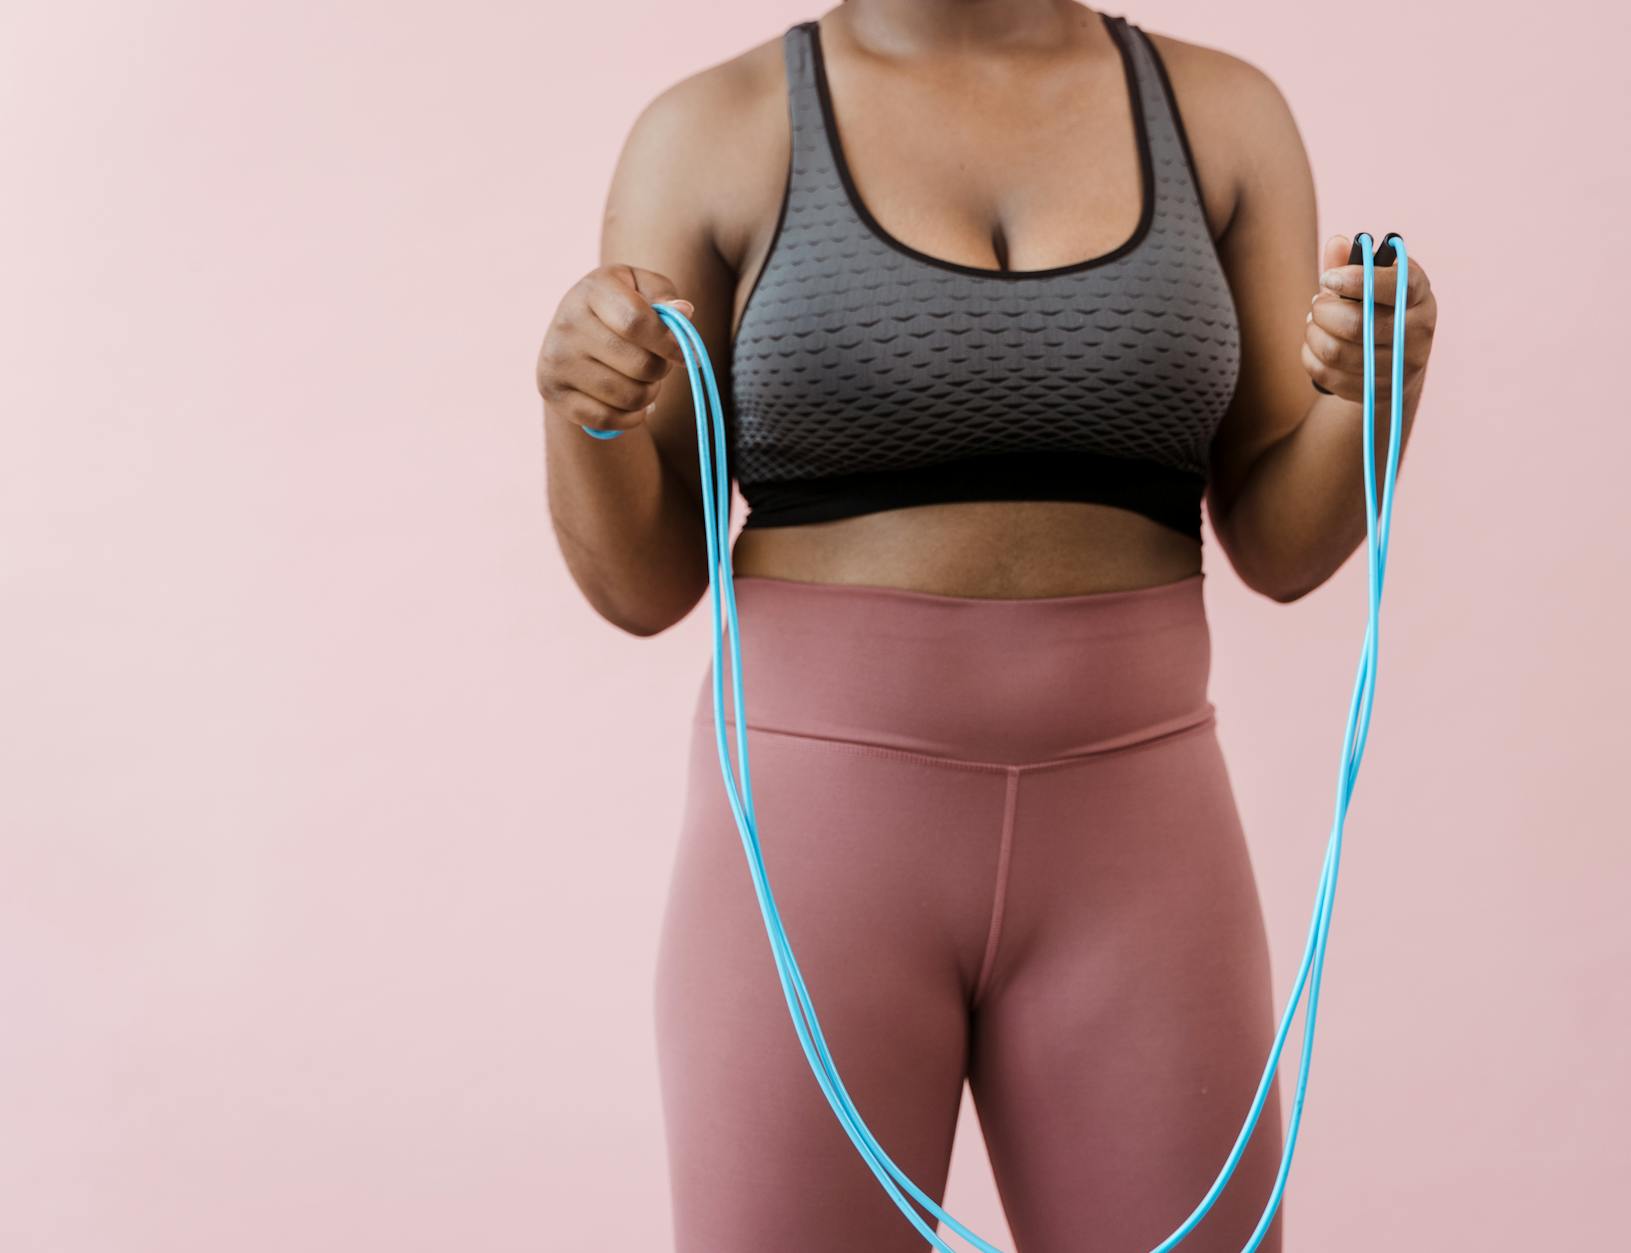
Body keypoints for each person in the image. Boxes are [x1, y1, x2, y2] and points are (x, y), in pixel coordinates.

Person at [534, 2, 1438, 1248]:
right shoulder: (714, 132)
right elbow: (641, 585)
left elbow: (1283, 547)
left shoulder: (1222, 117)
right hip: (817, 842)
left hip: (1138, 842)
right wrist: (579, 407)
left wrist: (1378, 385)